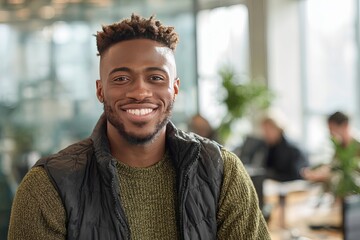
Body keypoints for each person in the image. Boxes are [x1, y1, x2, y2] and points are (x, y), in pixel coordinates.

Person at [8, 14, 270, 240]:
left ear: (175, 89)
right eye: (121, 78)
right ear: (100, 90)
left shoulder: (222, 171)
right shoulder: (48, 185)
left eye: (156, 78)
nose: (139, 91)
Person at [303, 111, 360, 183]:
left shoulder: (357, 146)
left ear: (345, 126)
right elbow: (333, 166)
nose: (331, 134)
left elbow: (351, 174)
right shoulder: (340, 146)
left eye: (332, 130)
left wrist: (325, 176)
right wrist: (317, 173)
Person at [259, 112, 308, 182]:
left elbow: (296, 175)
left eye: (268, 130)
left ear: (278, 128)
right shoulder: (270, 147)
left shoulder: (293, 149)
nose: (265, 134)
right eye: (264, 131)